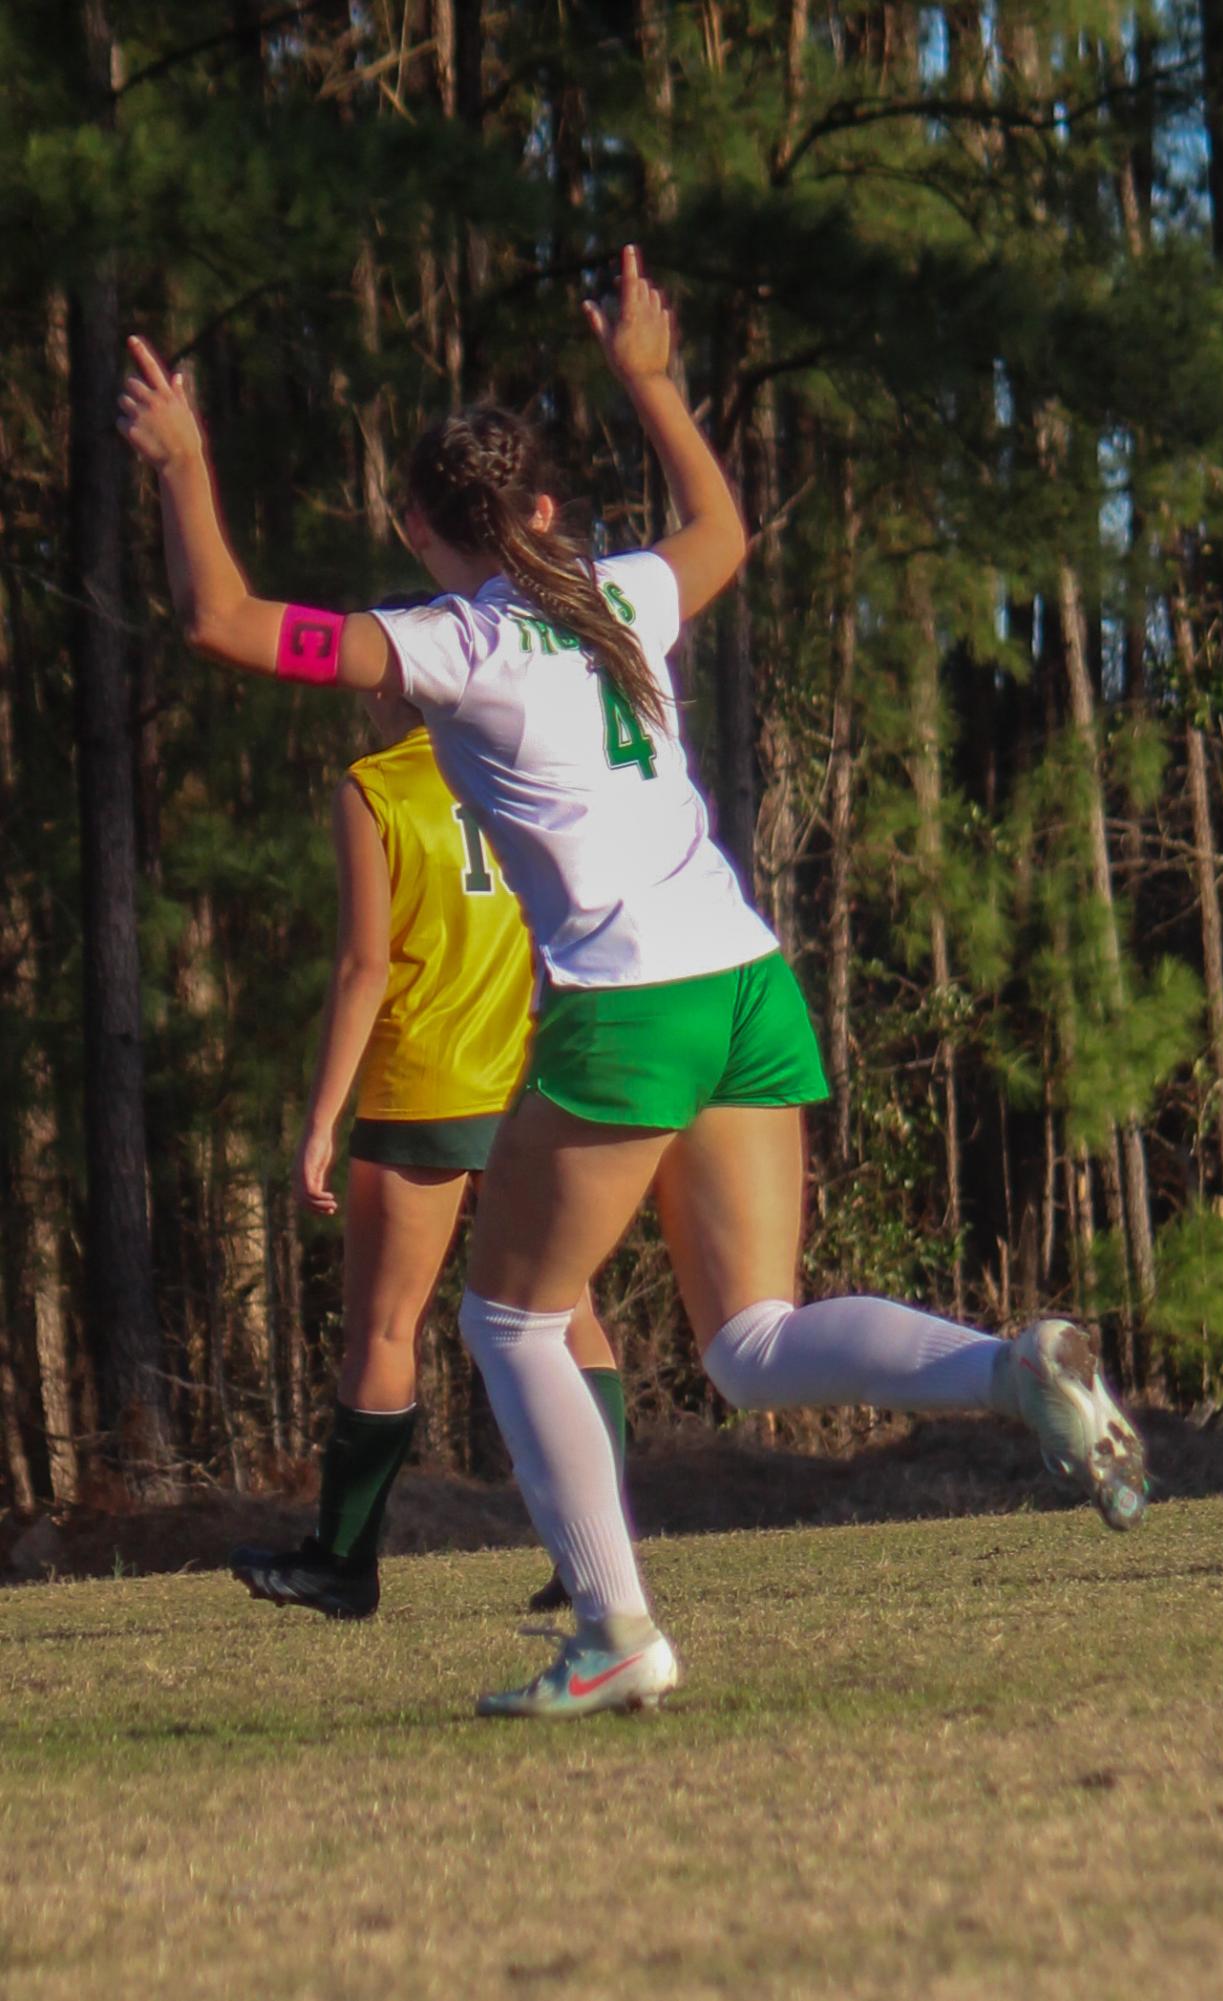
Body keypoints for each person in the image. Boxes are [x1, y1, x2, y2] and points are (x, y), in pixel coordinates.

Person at [119, 245, 1147, 1721]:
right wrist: (651, 384)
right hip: (744, 976)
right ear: (542, 507)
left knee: (509, 1321)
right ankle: (1008, 1367)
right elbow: (721, 521)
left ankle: (612, 1629)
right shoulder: (622, 596)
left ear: (419, 526)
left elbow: (225, 622)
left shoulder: (450, 642)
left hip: (629, 1005)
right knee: (751, 1339)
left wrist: (185, 462)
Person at [229, 685, 626, 1620]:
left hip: (426, 1082)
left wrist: (323, 1115)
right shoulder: (520, 764)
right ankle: (595, 1552)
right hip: (534, 1072)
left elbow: (366, 964)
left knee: (385, 1326)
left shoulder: (376, 788)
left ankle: (343, 1561)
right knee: (567, 1310)